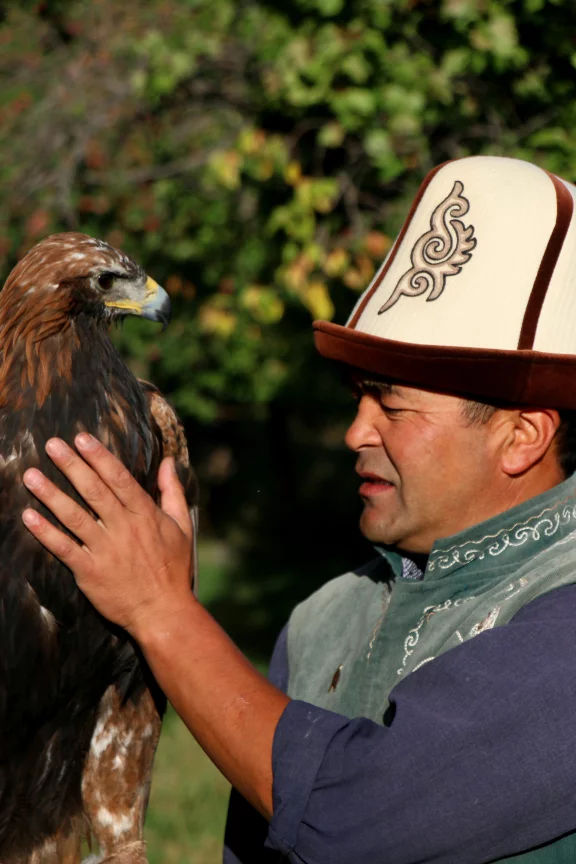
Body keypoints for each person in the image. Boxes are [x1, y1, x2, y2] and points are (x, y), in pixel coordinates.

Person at [20, 155, 576, 863]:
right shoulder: (323, 622)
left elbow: (364, 817)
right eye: (358, 400)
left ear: (521, 436)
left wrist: (162, 612)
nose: (355, 433)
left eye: (393, 406)